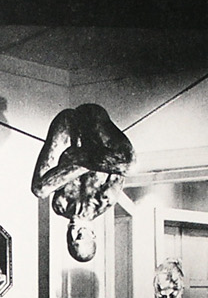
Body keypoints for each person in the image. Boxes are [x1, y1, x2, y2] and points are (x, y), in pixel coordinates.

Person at [31, 104, 134, 261]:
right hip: (93, 124)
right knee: (130, 166)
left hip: (66, 127)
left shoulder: (60, 207)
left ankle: (78, 157)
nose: (74, 234)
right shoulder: (105, 201)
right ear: (93, 234)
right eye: (80, 237)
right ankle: (80, 159)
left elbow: (50, 177)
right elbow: (118, 165)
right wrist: (83, 161)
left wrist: (76, 161)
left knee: (40, 190)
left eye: (71, 240)